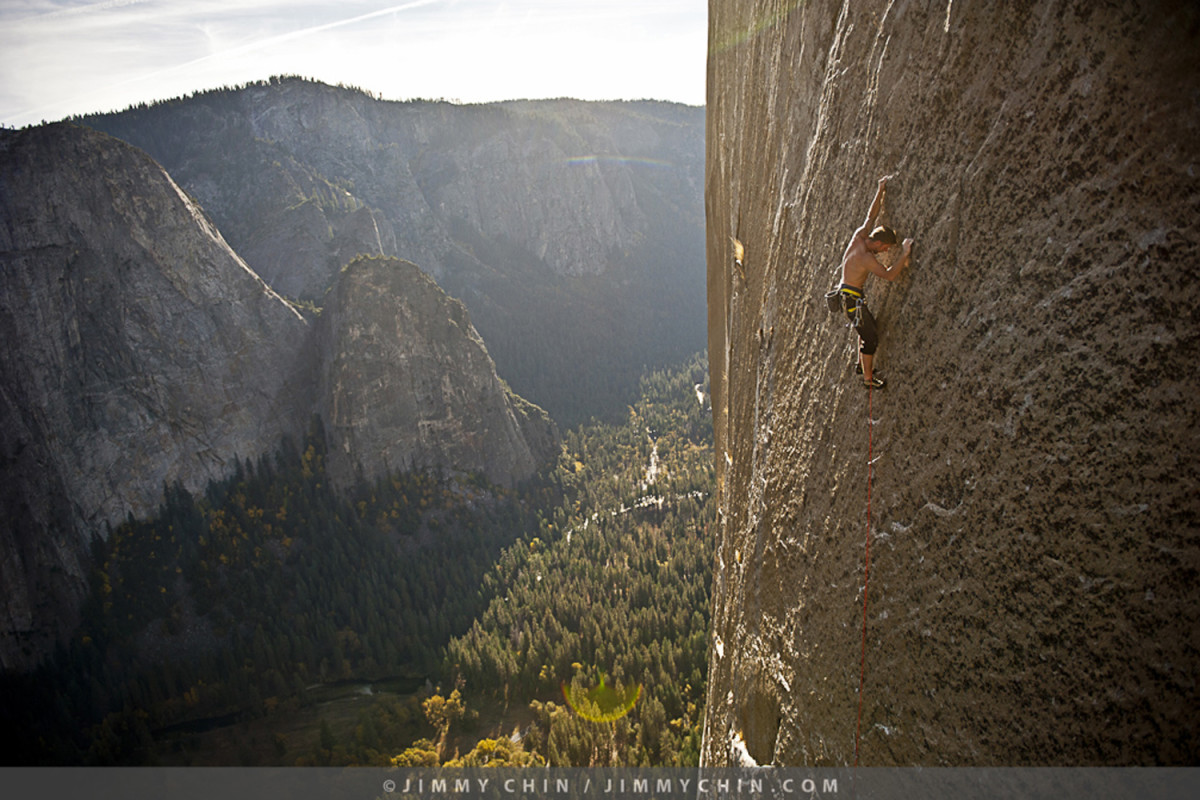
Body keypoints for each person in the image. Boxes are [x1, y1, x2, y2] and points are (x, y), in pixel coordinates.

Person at [838, 175, 914, 388]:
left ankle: (861, 365)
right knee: (870, 338)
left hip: (849, 298)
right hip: (852, 301)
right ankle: (868, 380)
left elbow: (871, 216)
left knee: (865, 327)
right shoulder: (866, 258)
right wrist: (904, 254)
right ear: (879, 243)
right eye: (886, 248)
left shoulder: (860, 236)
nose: (886, 251)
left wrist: (880, 190)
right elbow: (889, 275)